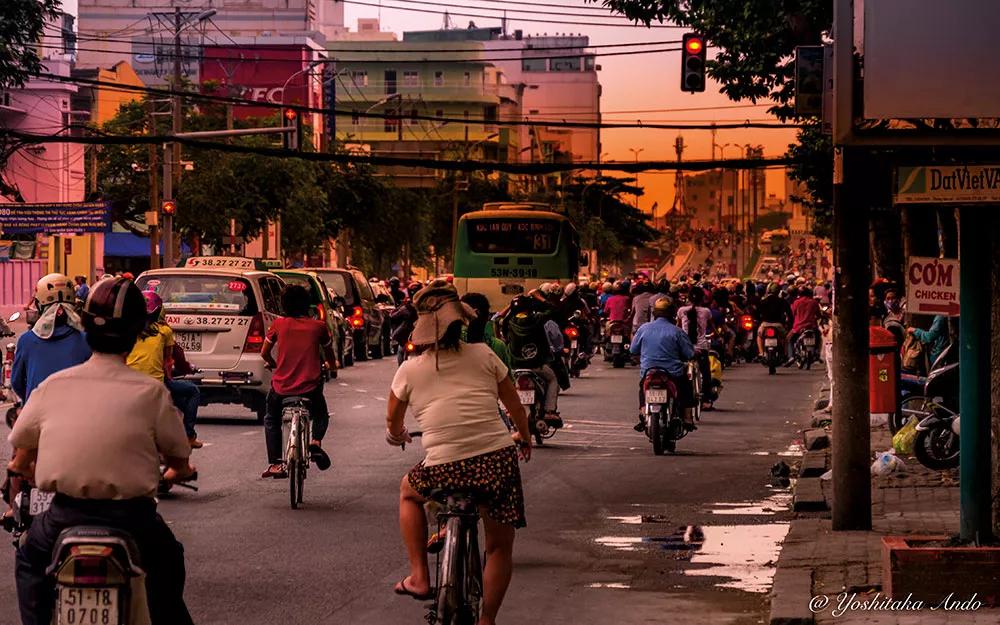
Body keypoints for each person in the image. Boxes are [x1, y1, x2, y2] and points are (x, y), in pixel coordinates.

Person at [8, 277, 195, 625]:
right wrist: (176, 472)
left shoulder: (52, 387)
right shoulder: (151, 393)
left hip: (65, 515)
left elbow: (20, 457)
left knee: (30, 560)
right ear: (138, 331)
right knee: (168, 565)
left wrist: (29, 469)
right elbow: (179, 460)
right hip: (133, 519)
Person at [385, 280, 531, 625]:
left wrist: (398, 435)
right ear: (459, 321)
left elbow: (393, 420)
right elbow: (515, 406)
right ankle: (487, 620)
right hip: (496, 461)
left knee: (408, 492)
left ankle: (419, 576)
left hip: (442, 468)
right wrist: (523, 438)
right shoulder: (484, 354)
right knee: (497, 546)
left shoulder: (408, 369)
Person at [260, 284, 336, 479]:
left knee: (271, 418)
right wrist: (332, 365)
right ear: (306, 304)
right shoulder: (318, 327)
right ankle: (316, 442)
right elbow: (329, 354)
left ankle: (276, 463)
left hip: (281, 388)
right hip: (310, 388)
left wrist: (273, 364)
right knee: (321, 414)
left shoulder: (278, 324)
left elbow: (264, 352)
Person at [128, 291, 203, 448]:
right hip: (157, 384)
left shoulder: (128, 330)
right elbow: (167, 362)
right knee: (193, 391)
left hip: (129, 383)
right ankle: (189, 435)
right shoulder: (164, 332)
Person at [10, 274, 91, 405]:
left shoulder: (27, 340)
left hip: (36, 414)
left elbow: (17, 382)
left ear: (39, 305)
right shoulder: (87, 339)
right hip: (77, 413)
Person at [630, 298, 696, 432]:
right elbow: (689, 354)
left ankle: (643, 413)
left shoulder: (644, 329)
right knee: (686, 386)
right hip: (673, 372)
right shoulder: (677, 332)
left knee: (642, 389)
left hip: (649, 371)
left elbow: (633, 350)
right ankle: (688, 417)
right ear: (672, 313)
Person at [676, 287, 714, 409]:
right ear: (703, 298)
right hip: (701, 348)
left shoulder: (681, 310)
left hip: (684, 348)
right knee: (706, 373)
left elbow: (677, 328)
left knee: (679, 373)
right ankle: (706, 400)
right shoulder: (706, 311)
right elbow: (711, 326)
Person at [786, 286, 821, 366]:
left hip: (798, 327)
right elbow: (818, 315)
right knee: (819, 337)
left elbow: (792, 314)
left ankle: (791, 356)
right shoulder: (814, 302)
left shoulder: (796, 302)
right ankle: (816, 353)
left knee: (789, 339)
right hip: (812, 326)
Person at [756, 283, 793, 357]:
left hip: (765, 324)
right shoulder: (782, 301)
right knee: (785, 338)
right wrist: (789, 323)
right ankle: (785, 354)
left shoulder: (763, 301)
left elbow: (757, 313)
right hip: (778, 325)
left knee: (759, 336)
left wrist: (759, 320)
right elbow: (789, 314)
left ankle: (761, 353)